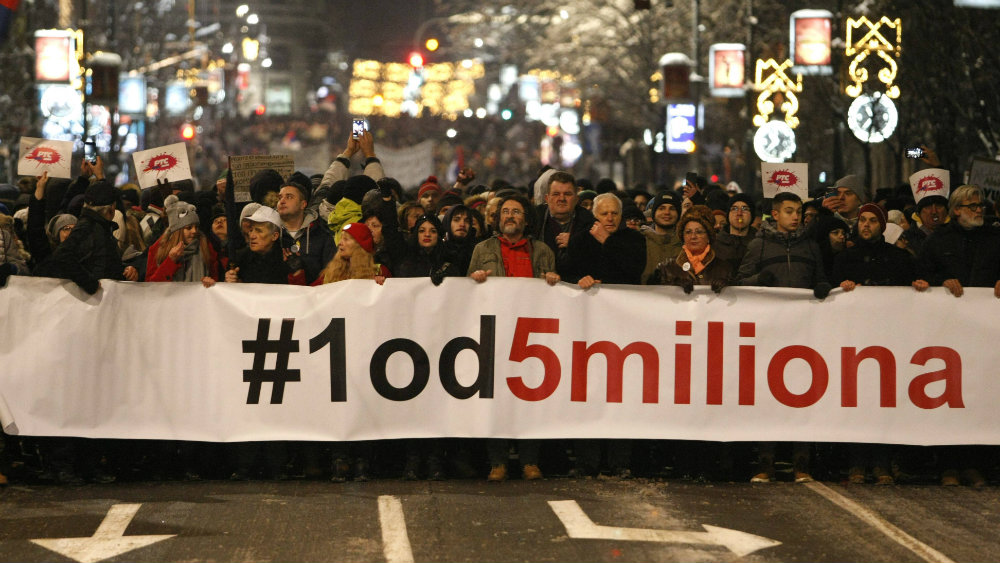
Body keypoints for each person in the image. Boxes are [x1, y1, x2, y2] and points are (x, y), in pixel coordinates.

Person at [737, 191, 831, 484]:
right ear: (774, 214)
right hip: (769, 333)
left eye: (798, 212)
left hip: (803, 334)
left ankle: (800, 463)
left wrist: (823, 286)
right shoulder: (758, 245)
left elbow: (821, 277)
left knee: (802, 398)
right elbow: (740, 282)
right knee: (768, 399)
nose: (796, 217)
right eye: (789, 211)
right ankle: (765, 463)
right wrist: (758, 281)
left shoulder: (811, 246)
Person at [468, 194, 559, 481]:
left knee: (530, 399)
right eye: (505, 211)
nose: (510, 216)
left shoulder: (542, 251)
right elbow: (465, 286)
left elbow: (554, 291)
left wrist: (554, 281)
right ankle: (498, 462)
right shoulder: (482, 249)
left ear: (526, 218)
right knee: (495, 400)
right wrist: (475, 278)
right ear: (497, 218)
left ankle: (530, 460)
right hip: (494, 334)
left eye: (516, 212)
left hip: (531, 336)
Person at [315, 222, 388, 481]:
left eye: (346, 239)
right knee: (339, 406)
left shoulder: (380, 273)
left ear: (361, 246)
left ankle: (362, 461)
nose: (340, 243)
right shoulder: (330, 274)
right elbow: (306, 299)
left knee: (363, 407)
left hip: (366, 353)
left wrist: (383, 288)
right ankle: (340, 459)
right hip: (336, 353)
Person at [33, 180, 139, 294]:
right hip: (93, 304)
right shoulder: (88, 227)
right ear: (111, 209)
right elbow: (63, 255)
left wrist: (124, 271)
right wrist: (90, 284)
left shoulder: (98, 226)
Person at [565, 192, 646, 288]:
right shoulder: (580, 239)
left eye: (614, 213)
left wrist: (608, 241)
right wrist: (579, 280)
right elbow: (567, 274)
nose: (610, 218)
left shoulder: (635, 238)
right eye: (604, 214)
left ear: (620, 215)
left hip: (625, 298)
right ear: (594, 215)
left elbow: (635, 270)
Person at [532, 171, 594, 279]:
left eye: (567, 194)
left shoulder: (590, 223)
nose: (562, 198)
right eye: (556, 194)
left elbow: (596, 259)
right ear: (547, 198)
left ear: (576, 199)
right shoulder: (534, 220)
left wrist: (575, 243)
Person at [656, 206, 732, 294]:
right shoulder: (667, 267)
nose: (693, 237)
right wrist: (673, 287)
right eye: (688, 232)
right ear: (682, 236)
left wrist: (728, 288)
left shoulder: (724, 268)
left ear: (709, 236)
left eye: (699, 232)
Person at [146, 202, 219, 285]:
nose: (194, 231)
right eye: (189, 228)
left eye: (196, 227)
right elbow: (151, 286)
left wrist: (210, 282)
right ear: (177, 231)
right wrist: (170, 261)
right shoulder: (159, 249)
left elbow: (215, 278)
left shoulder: (205, 245)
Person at [276, 180, 334, 284]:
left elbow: (331, 274)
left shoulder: (322, 236)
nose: (282, 201)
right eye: (280, 197)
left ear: (303, 204)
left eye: (289, 197)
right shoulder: (271, 234)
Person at [640, 192, 683, 284]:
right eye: (661, 208)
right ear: (654, 213)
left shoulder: (686, 243)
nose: (667, 213)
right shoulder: (640, 241)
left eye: (672, 209)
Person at [713, 193, 756, 273]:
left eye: (745, 209)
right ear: (728, 214)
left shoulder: (760, 244)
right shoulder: (715, 243)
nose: (739, 213)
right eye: (734, 209)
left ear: (752, 215)